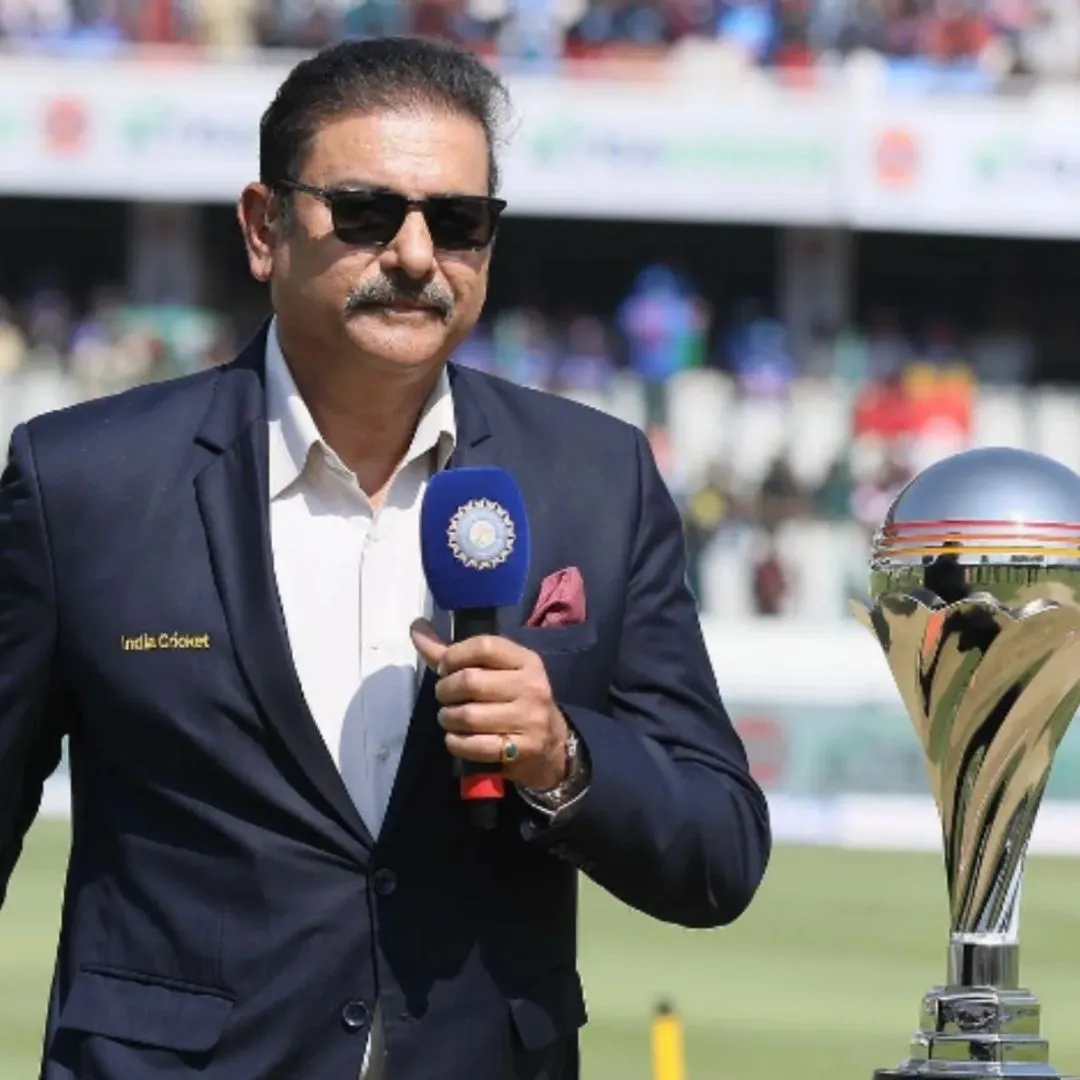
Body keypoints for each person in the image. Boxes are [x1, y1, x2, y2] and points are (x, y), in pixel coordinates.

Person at [0, 37, 771, 1080]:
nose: (415, 255)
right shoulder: (81, 482)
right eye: (366, 212)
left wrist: (562, 759)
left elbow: (721, 851)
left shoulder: (599, 478)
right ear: (265, 227)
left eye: (457, 221)